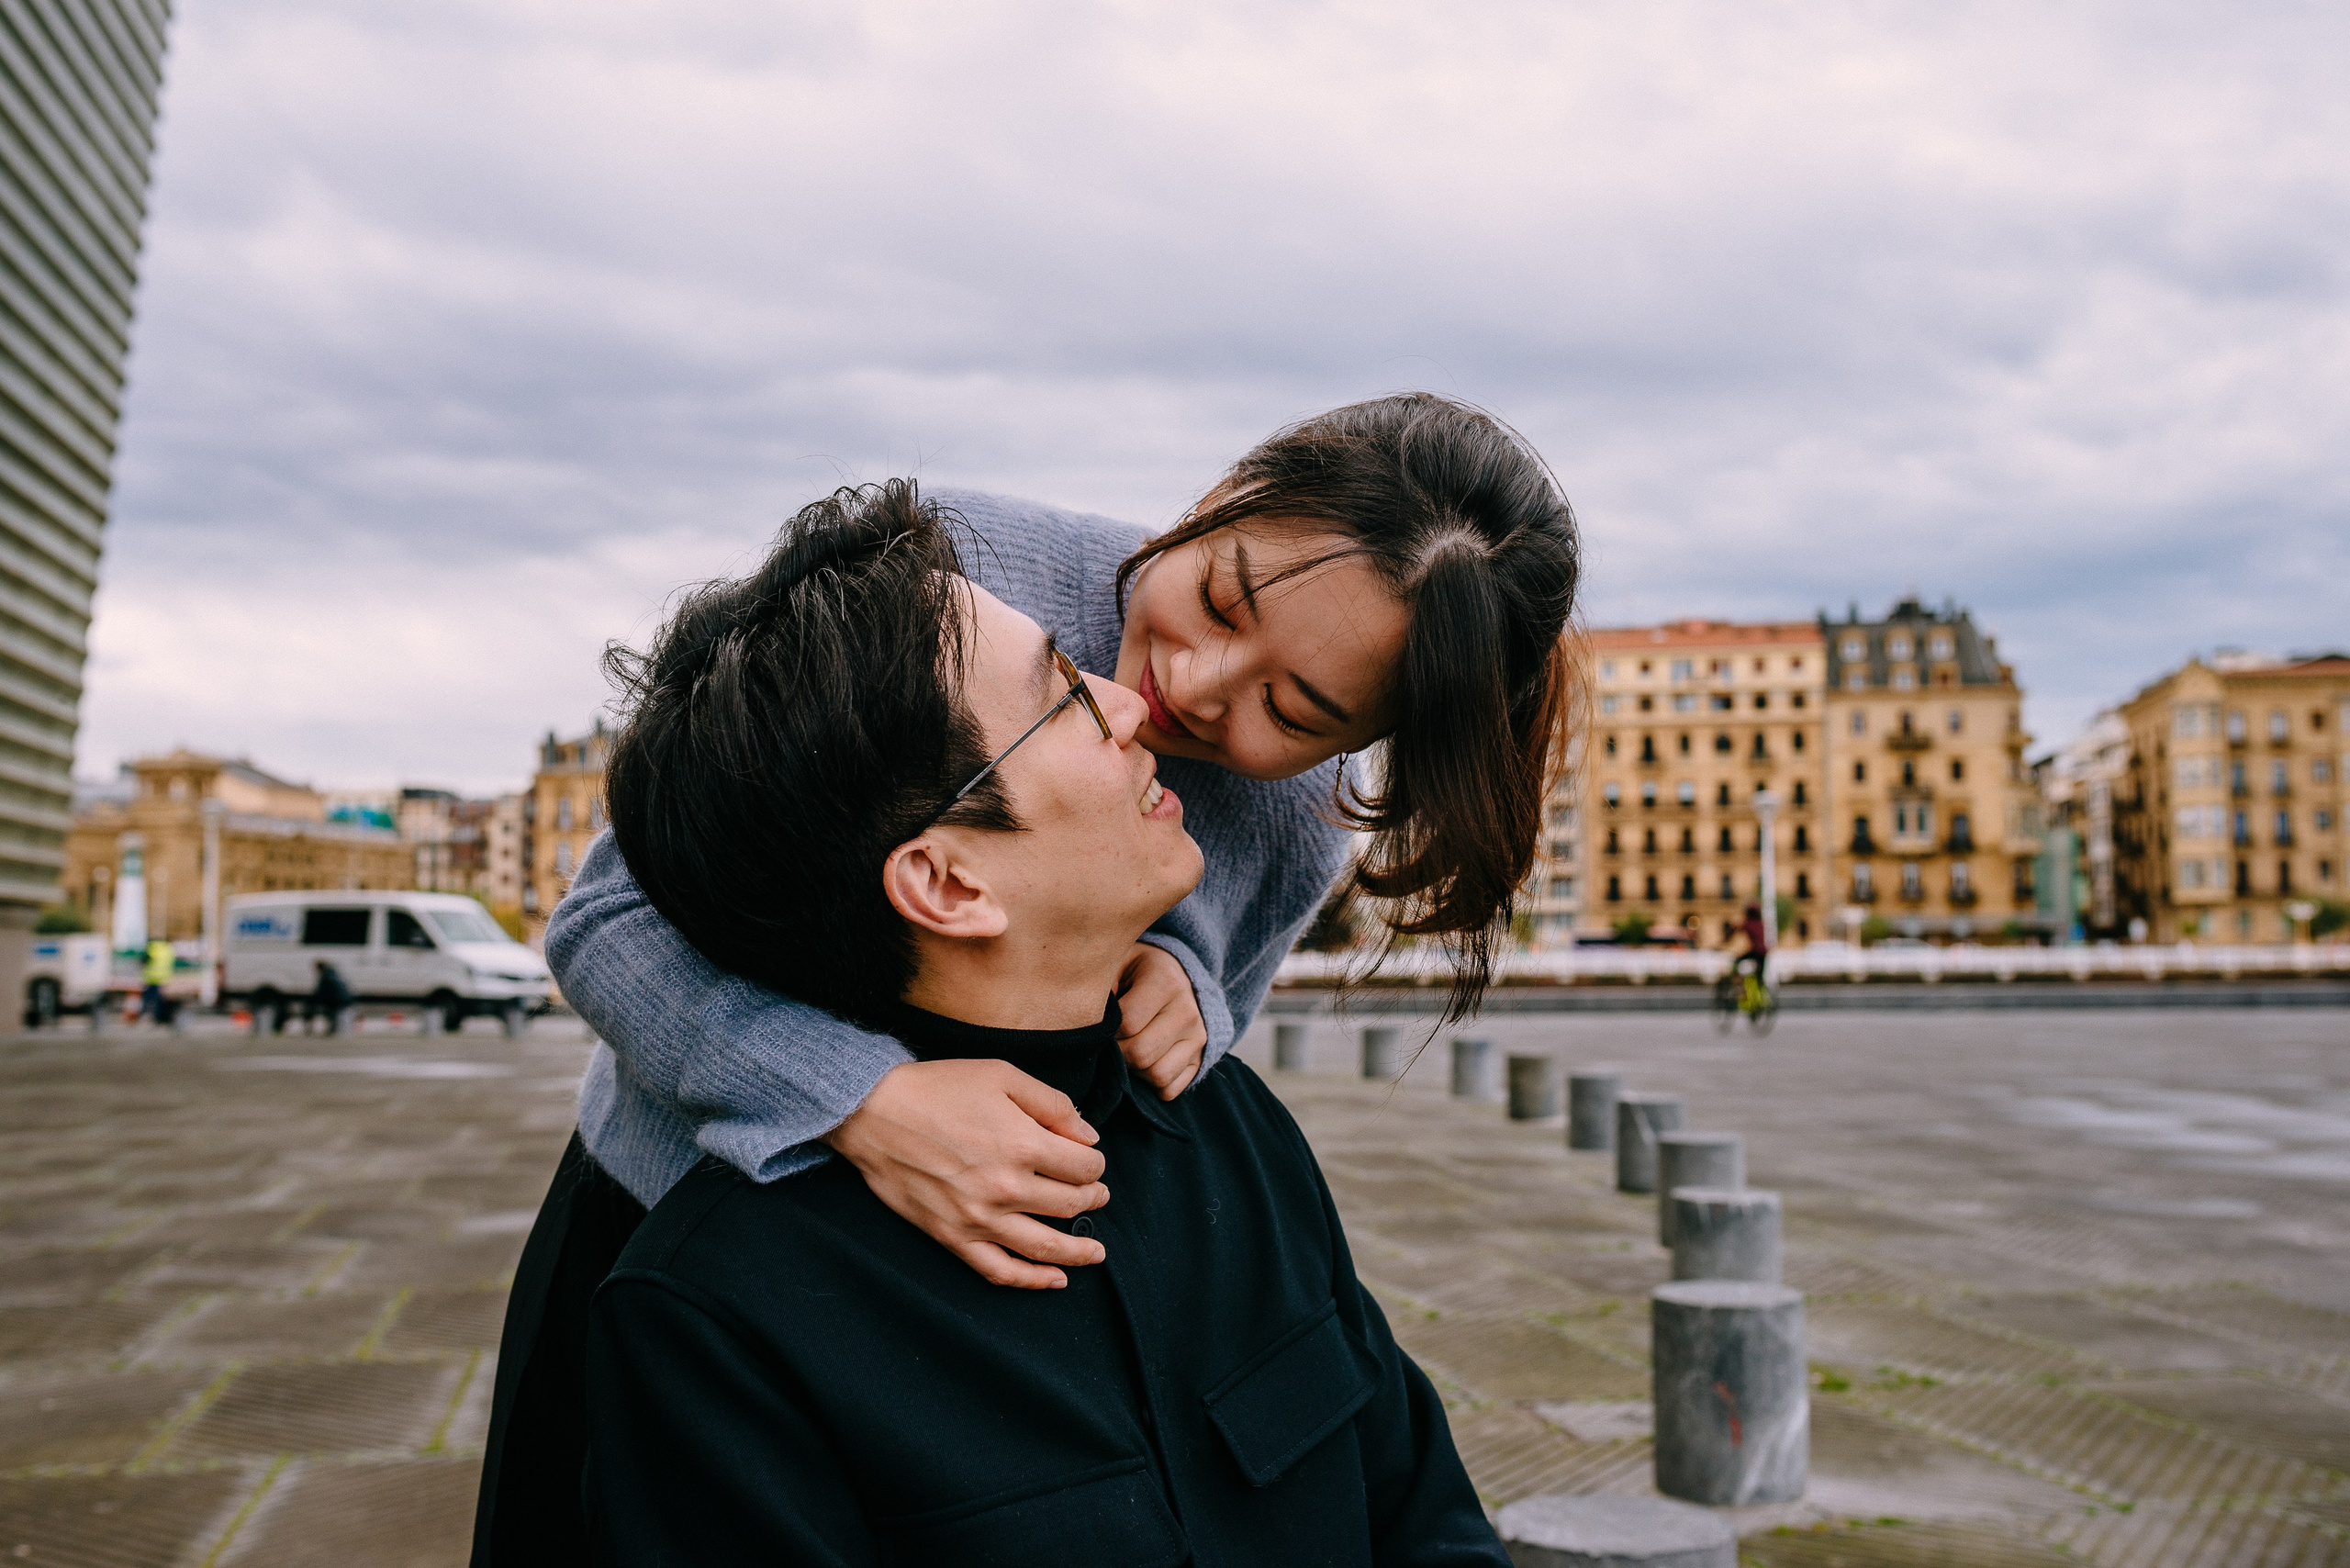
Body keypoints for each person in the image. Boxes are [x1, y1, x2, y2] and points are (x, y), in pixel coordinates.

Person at [473, 397, 1582, 1563]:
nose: (1187, 692)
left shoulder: (1297, 826)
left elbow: (1192, 1040)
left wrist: (1191, 994)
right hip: (693, 1205)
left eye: (1293, 707)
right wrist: (863, 1101)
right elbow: (610, 914)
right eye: (1216, 599)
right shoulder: (956, 575)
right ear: (1218, 499)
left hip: (1052, 1261)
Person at [309, 959, 352, 1036]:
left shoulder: (326, 977)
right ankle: (334, 1029)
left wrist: (316, 1001)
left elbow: (321, 991)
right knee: (335, 1013)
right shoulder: (334, 974)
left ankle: (332, 1030)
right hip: (345, 998)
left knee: (330, 1011)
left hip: (337, 1000)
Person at [140, 938, 175, 1026]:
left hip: (152, 978)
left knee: (149, 999)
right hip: (164, 978)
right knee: (160, 1000)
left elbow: (144, 960)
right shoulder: (168, 949)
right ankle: (160, 1018)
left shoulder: (152, 949)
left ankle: (149, 1016)